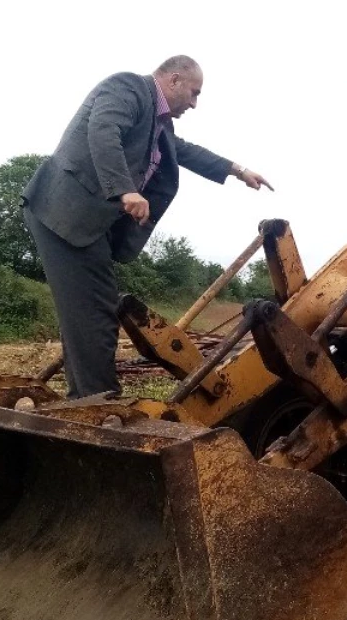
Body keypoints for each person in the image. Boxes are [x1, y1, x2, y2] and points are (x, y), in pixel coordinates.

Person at [22, 55, 273, 398]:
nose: (195, 104)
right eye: (194, 92)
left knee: (86, 312)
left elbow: (182, 150)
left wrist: (236, 169)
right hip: (64, 213)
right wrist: (125, 189)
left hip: (79, 223)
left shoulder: (161, 126)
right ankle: (97, 403)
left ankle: (85, 399)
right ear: (173, 80)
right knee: (96, 314)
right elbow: (103, 129)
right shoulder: (127, 88)